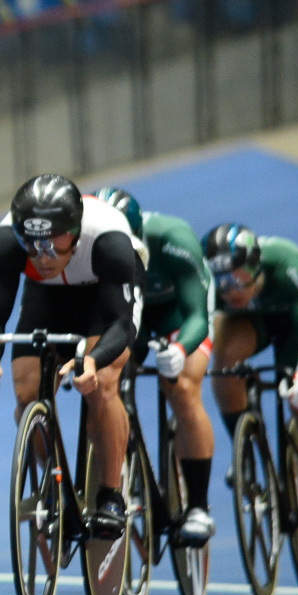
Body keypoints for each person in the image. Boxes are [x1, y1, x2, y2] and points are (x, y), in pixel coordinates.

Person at [0, 175, 146, 539]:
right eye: (31, 247)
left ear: (76, 232)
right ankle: (54, 483)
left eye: (52, 245)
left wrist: (94, 360)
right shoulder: (7, 242)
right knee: (26, 394)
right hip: (48, 297)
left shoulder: (109, 240)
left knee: (102, 385)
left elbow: (121, 325)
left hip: (104, 299)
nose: (42, 256)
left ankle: (111, 496)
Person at [201, 223, 298, 557]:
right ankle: (246, 447)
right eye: (221, 282)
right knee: (223, 363)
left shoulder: (286, 263)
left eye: (237, 278)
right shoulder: (220, 288)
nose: (229, 290)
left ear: (256, 267)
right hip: (254, 321)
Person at [95, 188, 216, 545]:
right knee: (103, 385)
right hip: (130, 312)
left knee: (181, 386)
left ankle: (198, 507)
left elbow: (199, 315)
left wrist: (180, 348)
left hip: (177, 312)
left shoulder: (173, 239)